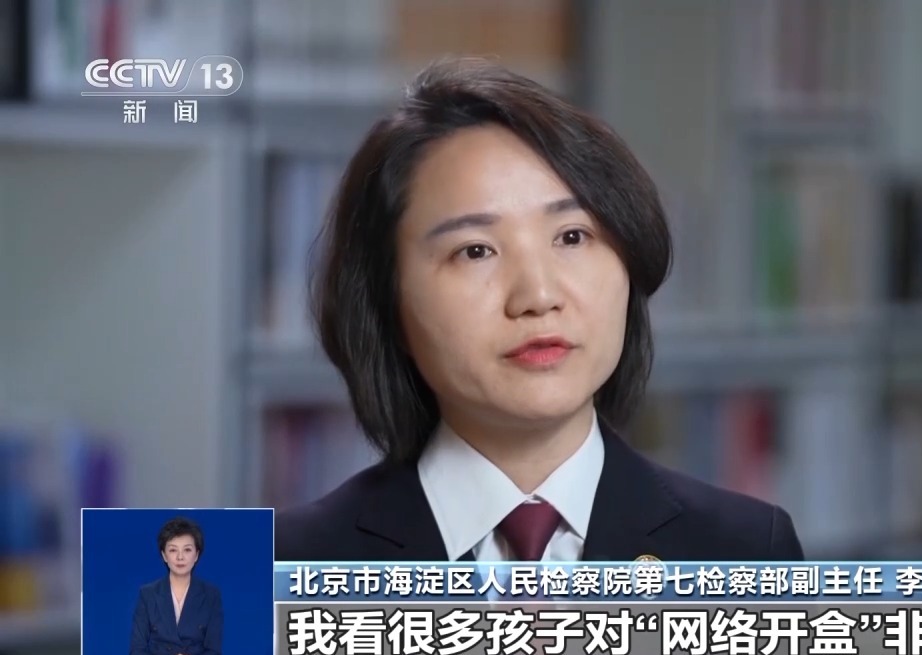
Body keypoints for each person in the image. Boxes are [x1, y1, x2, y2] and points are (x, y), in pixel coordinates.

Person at [274, 57, 805, 563]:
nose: (538, 295)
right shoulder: (272, 567)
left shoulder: (747, 551)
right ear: (387, 302)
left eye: (572, 237)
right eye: (475, 250)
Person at [130, 517, 223, 655]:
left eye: (187, 550)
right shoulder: (148, 594)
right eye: (173, 550)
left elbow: (214, 651)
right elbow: (137, 649)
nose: (180, 557)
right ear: (164, 555)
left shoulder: (211, 595)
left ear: (196, 555)